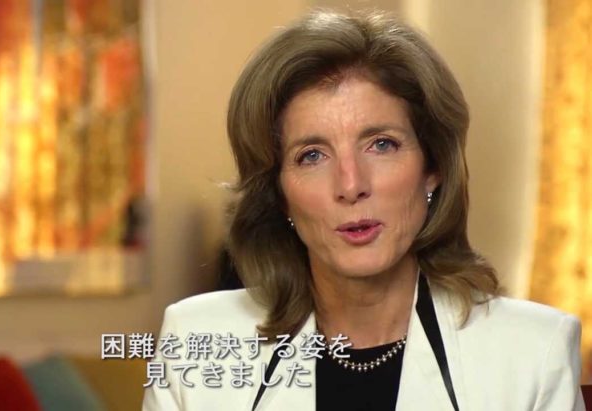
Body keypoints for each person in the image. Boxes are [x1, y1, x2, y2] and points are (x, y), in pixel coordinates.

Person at [143, 10, 584, 411]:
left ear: (432, 168)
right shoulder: (194, 343)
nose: (351, 186)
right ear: (278, 192)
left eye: (381, 144)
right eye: (312, 156)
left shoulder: (533, 353)